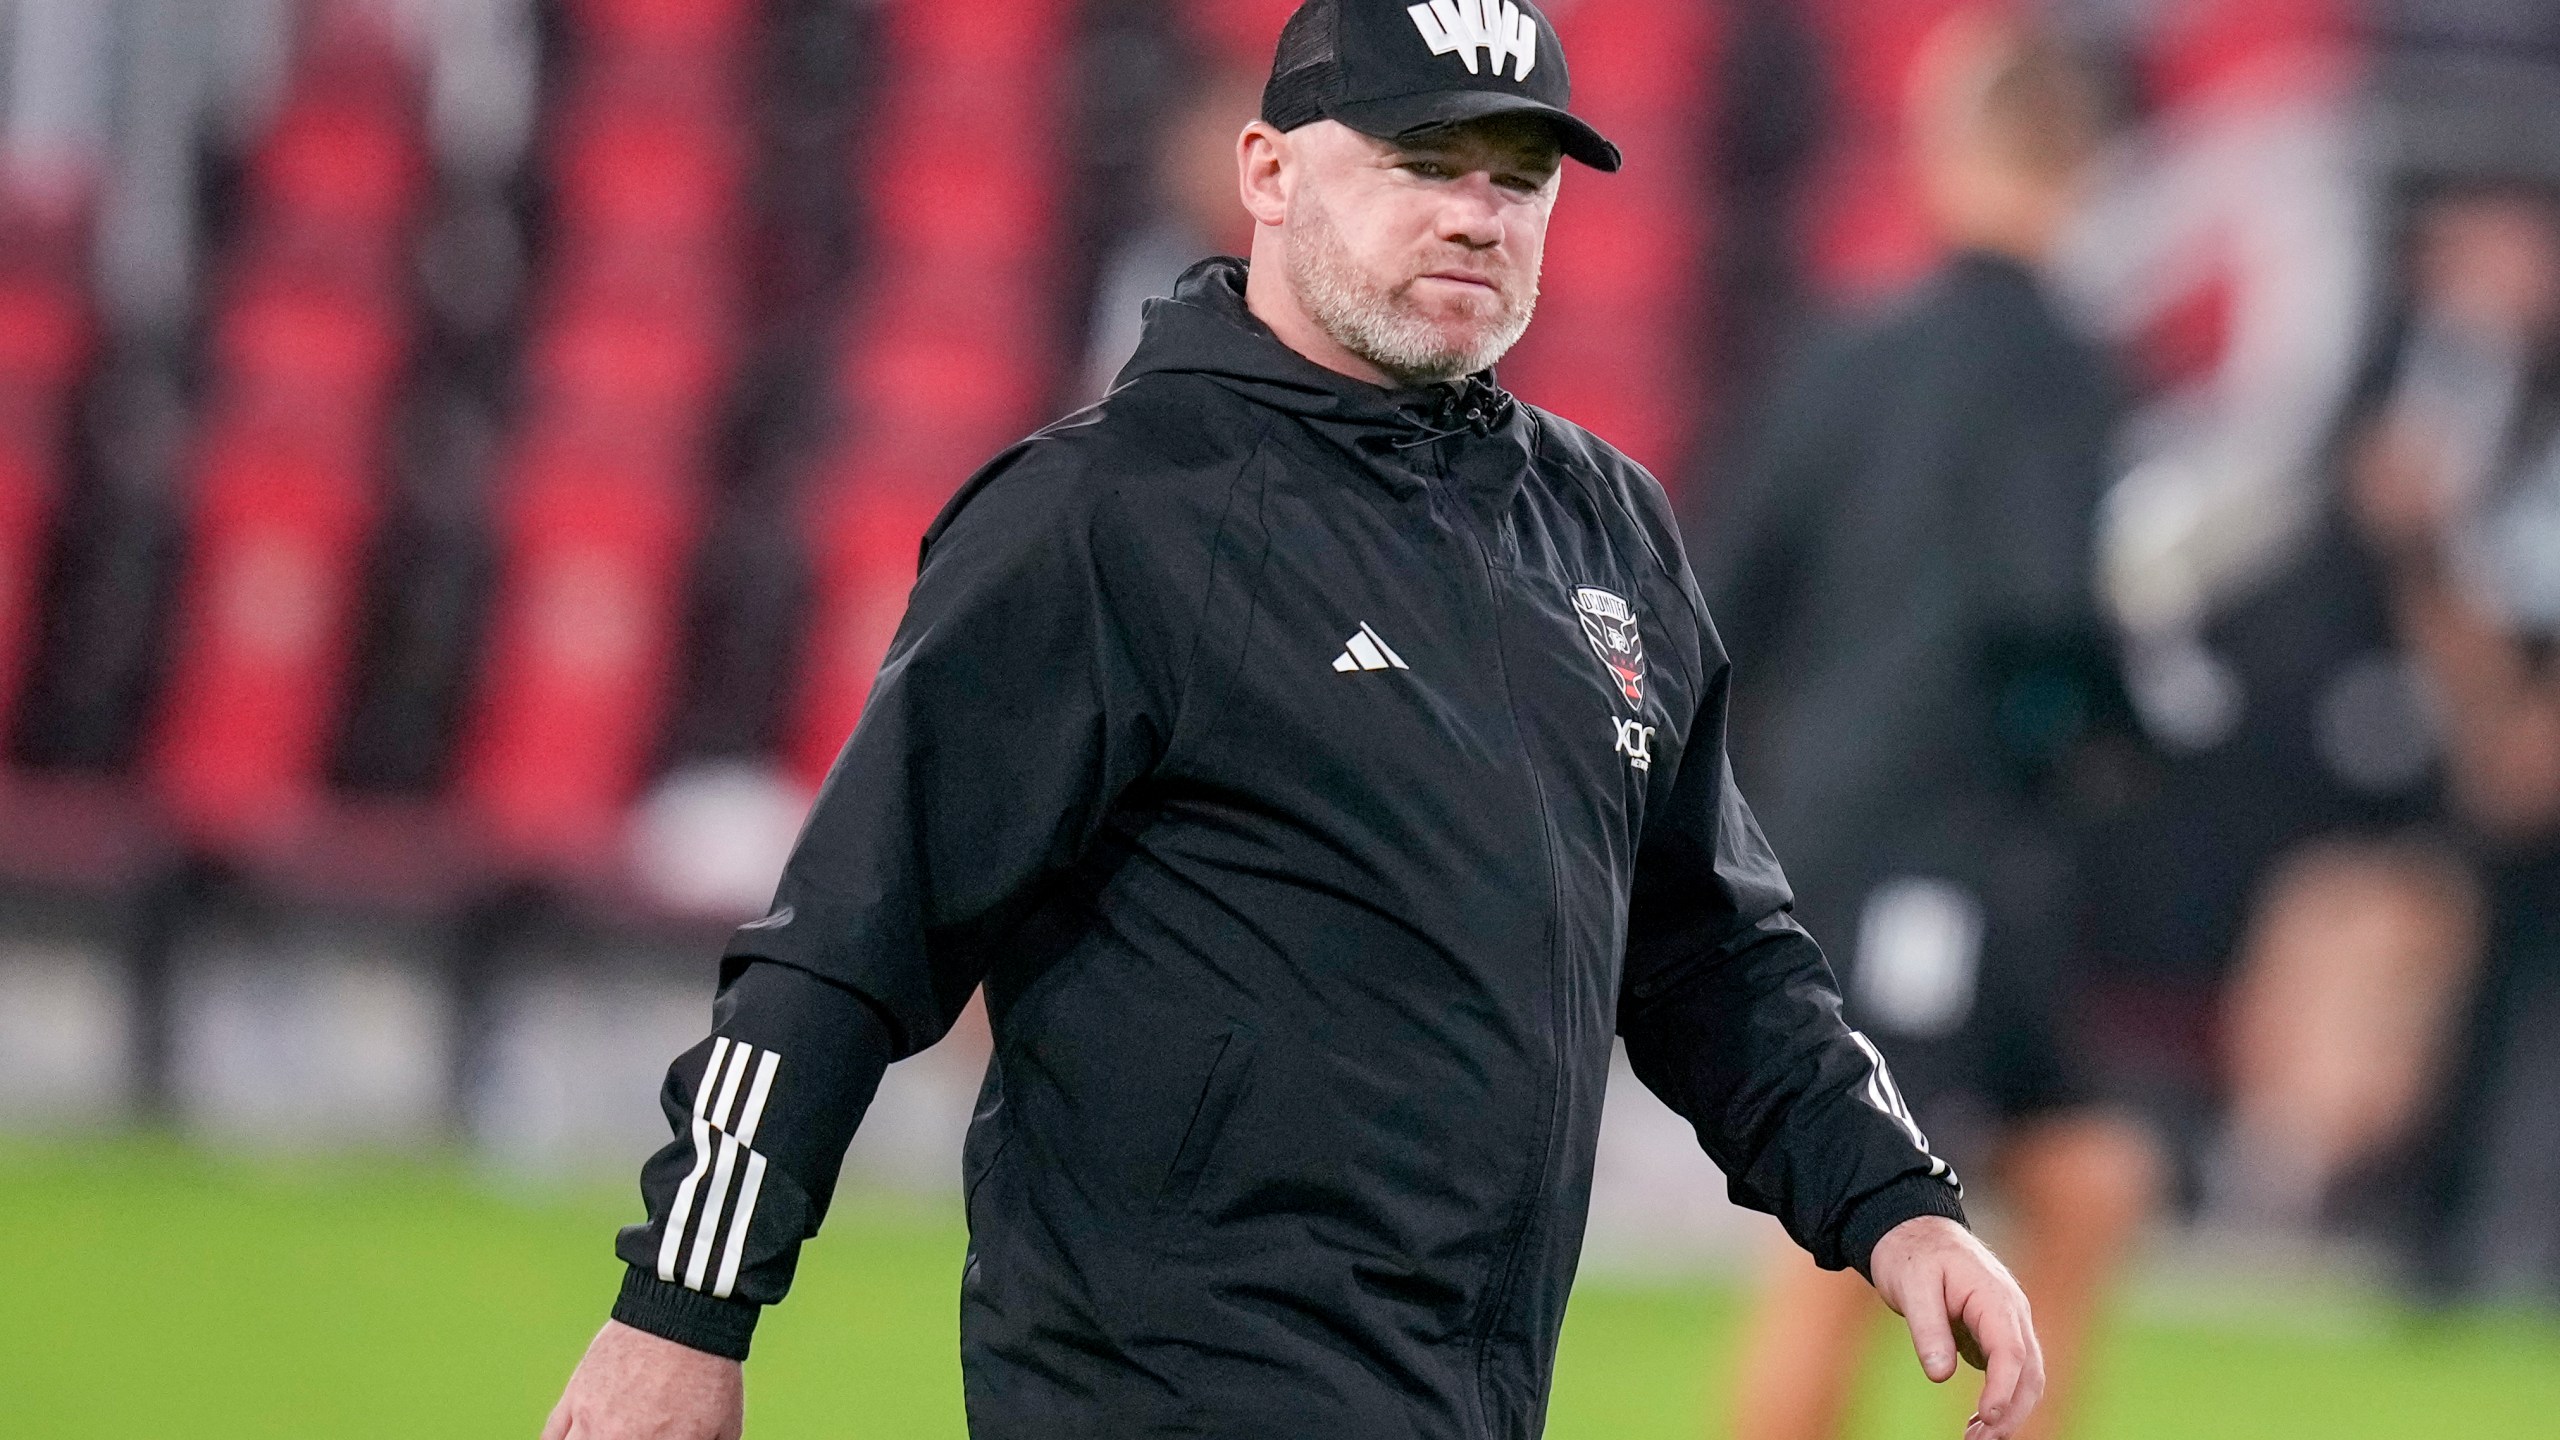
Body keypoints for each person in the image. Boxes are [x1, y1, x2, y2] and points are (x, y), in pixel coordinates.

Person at [543, 3, 2040, 1438]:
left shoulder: (1605, 530)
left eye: (1520, 181)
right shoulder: (1102, 521)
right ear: (1267, 170)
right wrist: (679, 1310)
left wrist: (1894, 1203)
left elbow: (1715, 951)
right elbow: (842, 945)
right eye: (1420, 164)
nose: (1478, 215)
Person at [1703, 16, 2151, 1440]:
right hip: (1933, 855)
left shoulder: (1843, 351)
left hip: (1853, 834)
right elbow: (2044, 602)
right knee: (1857, 1229)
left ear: (1945, 148)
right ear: (2083, 166)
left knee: (2089, 1184)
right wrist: (2124, 717)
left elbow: (1722, 598)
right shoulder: (2058, 367)